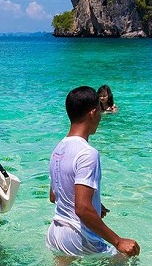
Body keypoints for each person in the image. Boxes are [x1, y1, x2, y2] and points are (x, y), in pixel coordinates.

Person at [46, 86, 139, 257]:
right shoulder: (88, 153)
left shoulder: (58, 148)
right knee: (127, 256)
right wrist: (118, 241)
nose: (100, 118)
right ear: (92, 113)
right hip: (78, 236)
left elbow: (54, 196)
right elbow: (82, 208)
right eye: (98, 113)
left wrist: (95, 205)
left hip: (56, 233)